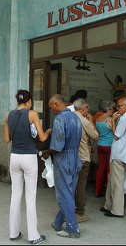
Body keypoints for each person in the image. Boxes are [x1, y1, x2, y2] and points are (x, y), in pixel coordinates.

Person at [4, 89, 51, 245]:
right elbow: (42, 137)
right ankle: (33, 236)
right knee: (30, 197)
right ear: (29, 101)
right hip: (29, 157)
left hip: (14, 157)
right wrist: (49, 131)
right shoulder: (32, 114)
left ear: (18, 101)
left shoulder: (8, 115)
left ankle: (14, 232)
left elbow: (6, 139)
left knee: (15, 195)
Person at [41, 94, 82, 239]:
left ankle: (72, 229)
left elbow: (58, 146)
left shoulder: (60, 119)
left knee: (64, 195)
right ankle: (58, 223)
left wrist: (46, 152)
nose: (51, 110)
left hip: (62, 159)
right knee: (69, 193)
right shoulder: (76, 117)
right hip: (75, 158)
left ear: (56, 104)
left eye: (51, 107)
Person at [100, 97, 126, 218]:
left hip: (119, 153)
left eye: (120, 106)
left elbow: (116, 135)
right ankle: (108, 205)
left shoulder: (125, 118)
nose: (118, 108)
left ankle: (117, 210)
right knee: (112, 178)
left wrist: (112, 121)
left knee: (117, 182)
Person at [73, 98, 98, 222]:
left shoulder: (69, 118)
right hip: (83, 156)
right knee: (81, 184)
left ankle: (68, 209)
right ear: (83, 109)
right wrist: (92, 121)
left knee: (71, 183)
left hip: (70, 157)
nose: (88, 110)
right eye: (87, 108)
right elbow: (95, 136)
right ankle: (79, 211)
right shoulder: (84, 121)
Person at [95, 101, 117, 197]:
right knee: (109, 169)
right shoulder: (109, 119)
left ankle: (98, 191)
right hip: (109, 145)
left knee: (101, 168)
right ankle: (108, 192)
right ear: (108, 109)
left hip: (100, 145)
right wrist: (114, 120)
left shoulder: (98, 119)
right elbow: (115, 132)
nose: (113, 111)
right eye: (112, 109)